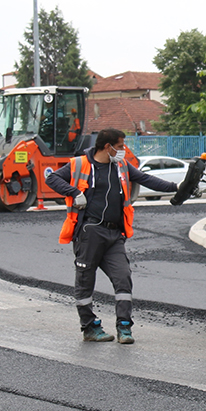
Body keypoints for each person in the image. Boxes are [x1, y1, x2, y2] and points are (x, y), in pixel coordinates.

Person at [45, 128, 178, 344]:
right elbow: (53, 179)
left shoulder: (122, 166)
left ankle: (124, 327)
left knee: (123, 277)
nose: (123, 150)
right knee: (85, 282)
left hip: (115, 234)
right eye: (120, 146)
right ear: (107, 147)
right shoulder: (80, 164)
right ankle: (89, 327)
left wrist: (176, 187)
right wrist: (75, 192)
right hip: (89, 232)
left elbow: (146, 179)